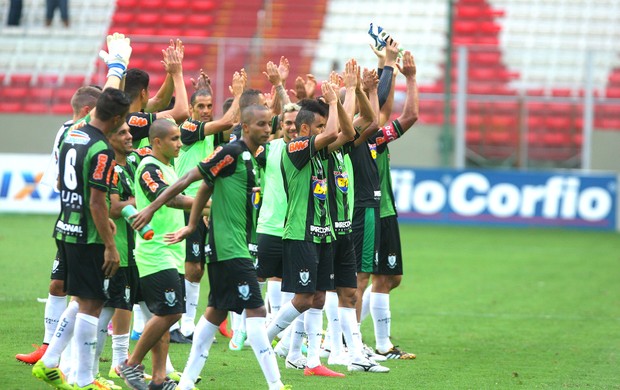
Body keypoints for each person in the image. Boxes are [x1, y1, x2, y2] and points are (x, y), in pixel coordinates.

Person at [131, 105, 288, 390]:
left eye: (269, 124)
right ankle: (276, 385)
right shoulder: (231, 152)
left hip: (231, 246)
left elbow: (205, 186)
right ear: (246, 125)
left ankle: (186, 382)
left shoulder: (249, 158)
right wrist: (153, 207)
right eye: (262, 124)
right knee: (256, 312)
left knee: (215, 311)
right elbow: (189, 178)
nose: (268, 129)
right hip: (230, 249)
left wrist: (192, 225)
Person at [32, 32, 133, 390]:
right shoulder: (102, 150)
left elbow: (103, 104)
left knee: (81, 298)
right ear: (118, 117)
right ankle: (85, 378)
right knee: (92, 303)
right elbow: (97, 203)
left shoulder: (73, 132)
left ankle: (50, 360)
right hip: (90, 234)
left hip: (65, 228)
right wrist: (110, 245)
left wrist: (116, 67)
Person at [264, 82, 352, 378]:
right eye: (319, 126)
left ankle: (312, 361)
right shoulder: (296, 148)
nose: (325, 130)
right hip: (300, 233)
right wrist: (332, 101)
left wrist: (339, 102)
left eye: (325, 125)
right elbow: (332, 134)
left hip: (322, 233)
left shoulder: (323, 151)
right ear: (304, 130)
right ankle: (263, 339)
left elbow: (348, 134)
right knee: (303, 298)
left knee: (318, 298)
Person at [16, 85, 101, 366]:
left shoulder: (108, 134)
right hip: (72, 224)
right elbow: (55, 180)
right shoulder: (67, 132)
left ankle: (92, 360)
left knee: (96, 297)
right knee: (58, 284)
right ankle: (48, 348)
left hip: (100, 225)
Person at [117, 119, 201, 390]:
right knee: (172, 312)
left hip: (172, 250)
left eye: (179, 138)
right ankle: (130, 364)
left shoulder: (168, 166)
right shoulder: (148, 168)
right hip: (155, 252)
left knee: (164, 318)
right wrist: (210, 204)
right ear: (157, 142)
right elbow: (171, 198)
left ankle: (158, 379)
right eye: (174, 139)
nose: (179, 143)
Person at [173, 70, 244, 342]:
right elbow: (228, 120)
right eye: (200, 106)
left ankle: (192, 323)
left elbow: (231, 126)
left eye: (208, 106)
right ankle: (185, 324)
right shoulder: (188, 129)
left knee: (201, 267)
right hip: (186, 206)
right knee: (191, 266)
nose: (204, 111)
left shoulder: (211, 134)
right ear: (190, 109)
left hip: (205, 207)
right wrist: (237, 93)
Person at [366, 50, 419, 360]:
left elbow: (382, 107)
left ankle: (343, 337)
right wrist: (410, 78)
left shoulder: (371, 134)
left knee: (388, 277)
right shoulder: (371, 137)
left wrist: (388, 69)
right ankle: (376, 344)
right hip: (373, 211)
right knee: (369, 280)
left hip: (383, 209)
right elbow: (408, 116)